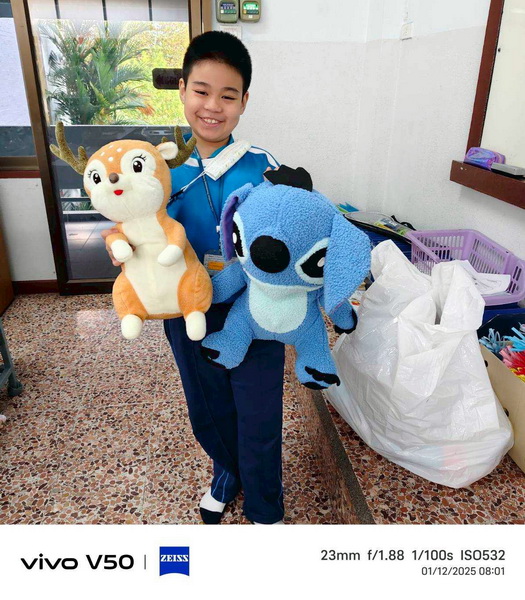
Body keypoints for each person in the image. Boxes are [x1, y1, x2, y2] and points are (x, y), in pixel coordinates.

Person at [103, 31, 285, 525]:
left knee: (260, 407)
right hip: (185, 307)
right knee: (207, 405)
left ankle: (265, 504)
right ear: (182, 89)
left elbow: (292, 228)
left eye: (228, 95)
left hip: (255, 308)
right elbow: (129, 223)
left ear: (244, 101)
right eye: (202, 91)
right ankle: (228, 472)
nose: (213, 106)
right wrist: (123, 248)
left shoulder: (263, 166)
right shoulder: (156, 168)